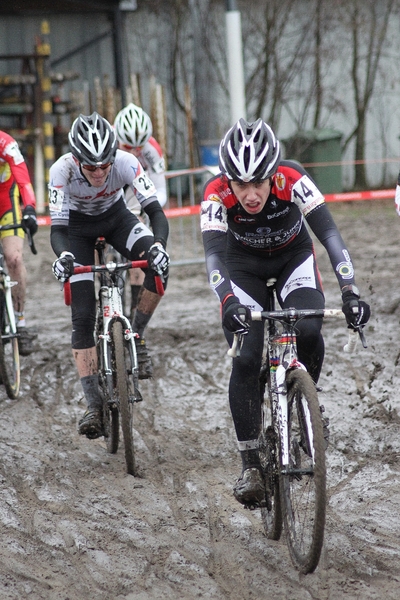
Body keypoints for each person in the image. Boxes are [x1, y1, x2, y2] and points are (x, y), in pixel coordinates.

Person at [200, 118, 370, 508]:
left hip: (293, 259)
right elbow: (212, 255)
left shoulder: (292, 177)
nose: (250, 194)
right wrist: (228, 302)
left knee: (309, 331)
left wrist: (350, 292)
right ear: (228, 180)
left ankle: (307, 402)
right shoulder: (215, 193)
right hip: (242, 268)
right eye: (240, 184)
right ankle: (251, 466)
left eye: (258, 182)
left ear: (272, 174)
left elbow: (329, 236)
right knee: (245, 356)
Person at [48, 112, 169, 440]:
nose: (100, 172)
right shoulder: (61, 170)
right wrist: (64, 256)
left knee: (159, 270)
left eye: (105, 165)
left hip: (118, 219)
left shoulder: (127, 162)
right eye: (91, 167)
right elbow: (57, 229)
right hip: (77, 231)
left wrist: (158, 246)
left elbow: (156, 212)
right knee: (83, 314)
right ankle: (93, 404)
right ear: (76, 160)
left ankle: (137, 334)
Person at [114, 103, 168, 322]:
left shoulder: (152, 149)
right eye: (128, 146)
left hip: (136, 192)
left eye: (139, 147)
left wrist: (145, 209)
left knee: (137, 231)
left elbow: (161, 191)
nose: (135, 151)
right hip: (112, 189)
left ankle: (135, 311)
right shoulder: (107, 142)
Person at [0, 130, 38, 356]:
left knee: (13, 258)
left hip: (6, 203)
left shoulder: (6, 143)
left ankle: (20, 321)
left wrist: (30, 208)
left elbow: (23, 180)